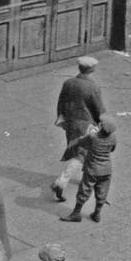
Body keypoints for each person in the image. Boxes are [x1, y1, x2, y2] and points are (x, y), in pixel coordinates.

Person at [52, 56, 104, 202]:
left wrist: (62, 118)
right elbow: (99, 108)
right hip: (86, 124)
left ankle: (85, 176)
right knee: (82, 154)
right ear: (92, 69)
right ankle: (61, 182)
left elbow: (61, 102)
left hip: (71, 122)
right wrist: (103, 123)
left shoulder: (68, 83)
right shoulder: (92, 87)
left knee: (78, 150)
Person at [62, 113, 117, 223]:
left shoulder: (93, 137)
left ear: (102, 127)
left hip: (92, 169)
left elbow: (80, 142)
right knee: (102, 191)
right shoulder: (113, 138)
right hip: (106, 170)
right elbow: (112, 149)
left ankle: (76, 213)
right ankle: (97, 214)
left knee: (84, 190)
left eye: (100, 123)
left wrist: (71, 145)